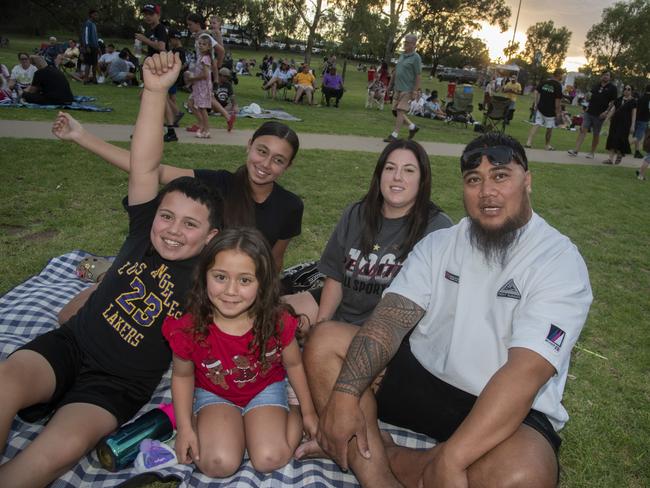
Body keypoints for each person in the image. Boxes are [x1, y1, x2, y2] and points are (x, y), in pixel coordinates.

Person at [298, 132, 592, 488]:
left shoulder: (558, 260)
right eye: (474, 180)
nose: (487, 192)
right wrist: (344, 395)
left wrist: (451, 460)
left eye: (500, 176)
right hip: (424, 378)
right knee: (325, 340)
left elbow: (526, 372)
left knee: (524, 477)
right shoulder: (439, 244)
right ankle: (379, 479)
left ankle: (398, 457)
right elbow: (389, 320)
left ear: (526, 181)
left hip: (503, 402)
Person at [0, 51, 222, 488]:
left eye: (190, 224)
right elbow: (144, 164)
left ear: (211, 238)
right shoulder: (143, 229)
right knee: (4, 384)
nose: (173, 231)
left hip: (116, 386)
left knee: (56, 450)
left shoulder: (208, 277)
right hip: (71, 345)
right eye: (167, 216)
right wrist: (155, 92)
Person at [51, 114, 302, 295]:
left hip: (238, 287)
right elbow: (149, 170)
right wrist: (80, 136)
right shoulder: (219, 183)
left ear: (287, 166)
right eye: (262, 151)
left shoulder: (291, 206)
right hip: (192, 279)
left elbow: (275, 260)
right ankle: (108, 273)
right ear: (249, 146)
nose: (265, 164)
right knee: (134, 288)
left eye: (278, 160)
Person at [163, 227, 318, 476]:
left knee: (269, 457)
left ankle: (292, 410)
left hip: (265, 389)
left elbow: (294, 365)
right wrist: (184, 428)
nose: (231, 291)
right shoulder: (189, 329)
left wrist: (308, 411)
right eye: (220, 277)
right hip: (216, 395)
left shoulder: (276, 321)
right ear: (204, 276)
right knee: (217, 463)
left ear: (262, 282)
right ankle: (202, 423)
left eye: (245, 280)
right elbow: (182, 376)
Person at [284, 138, 452, 334]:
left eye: (409, 170)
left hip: (386, 334)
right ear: (380, 174)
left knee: (323, 345)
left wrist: (323, 335)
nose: (397, 176)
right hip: (344, 307)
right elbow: (335, 277)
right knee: (273, 316)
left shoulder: (437, 227)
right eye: (390, 168)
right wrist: (321, 324)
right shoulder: (356, 213)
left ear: (422, 179)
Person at [568, 71, 618, 159]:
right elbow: (590, 96)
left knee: (596, 134)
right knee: (583, 130)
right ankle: (575, 150)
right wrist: (586, 107)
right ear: (601, 76)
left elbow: (613, 102)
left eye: (607, 75)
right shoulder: (596, 85)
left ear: (610, 78)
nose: (605, 76)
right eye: (604, 75)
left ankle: (591, 152)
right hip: (589, 112)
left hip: (600, 114)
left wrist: (606, 112)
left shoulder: (612, 88)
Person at [383, 34, 422, 143]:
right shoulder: (402, 56)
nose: (405, 44)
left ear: (414, 45)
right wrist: (390, 85)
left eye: (408, 42)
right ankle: (412, 127)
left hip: (408, 89)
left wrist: (415, 91)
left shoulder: (416, 58)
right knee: (395, 111)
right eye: (405, 42)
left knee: (400, 111)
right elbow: (396, 71)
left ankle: (394, 135)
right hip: (398, 88)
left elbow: (418, 75)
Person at [525, 68, 564, 151]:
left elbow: (536, 91)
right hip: (550, 111)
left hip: (541, 108)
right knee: (549, 128)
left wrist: (536, 103)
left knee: (536, 124)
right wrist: (558, 112)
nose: (562, 76)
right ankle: (547, 145)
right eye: (562, 75)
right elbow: (557, 101)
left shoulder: (545, 82)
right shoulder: (558, 86)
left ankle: (528, 142)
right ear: (559, 75)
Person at [186, 34, 213, 139]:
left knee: (202, 108)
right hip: (198, 86)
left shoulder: (205, 58)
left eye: (204, 44)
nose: (201, 46)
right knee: (190, 104)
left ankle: (206, 130)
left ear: (209, 47)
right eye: (200, 43)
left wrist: (193, 79)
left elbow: (206, 75)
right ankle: (202, 125)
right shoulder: (200, 57)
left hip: (203, 87)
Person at [603, 84, 637, 165]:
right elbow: (613, 110)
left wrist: (632, 125)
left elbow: (634, 114)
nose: (626, 90)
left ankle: (620, 154)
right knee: (612, 139)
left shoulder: (633, 101)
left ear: (631, 91)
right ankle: (610, 159)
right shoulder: (619, 99)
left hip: (625, 124)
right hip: (615, 123)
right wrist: (607, 119)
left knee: (620, 140)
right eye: (625, 89)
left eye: (628, 89)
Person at [214, 67, 238, 131]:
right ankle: (224, 112)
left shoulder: (228, 84)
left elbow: (232, 96)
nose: (227, 79)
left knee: (230, 105)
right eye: (226, 77)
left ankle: (223, 112)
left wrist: (235, 105)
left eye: (228, 77)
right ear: (220, 76)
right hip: (215, 104)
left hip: (224, 104)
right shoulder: (215, 84)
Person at [80, 9, 99, 84]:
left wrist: (98, 47)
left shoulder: (94, 24)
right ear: (91, 15)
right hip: (89, 47)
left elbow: (96, 37)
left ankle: (94, 79)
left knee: (95, 63)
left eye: (97, 15)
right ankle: (86, 79)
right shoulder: (88, 23)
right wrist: (87, 46)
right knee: (88, 63)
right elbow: (86, 35)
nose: (96, 16)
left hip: (95, 47)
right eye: (95, 15)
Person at [633, 85, 650, 158]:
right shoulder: (648, 99)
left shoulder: (641, 98)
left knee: (637, 136)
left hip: (636, 119)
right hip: (644, 120)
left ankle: (637, 151)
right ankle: (622, 146)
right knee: (638, 137)